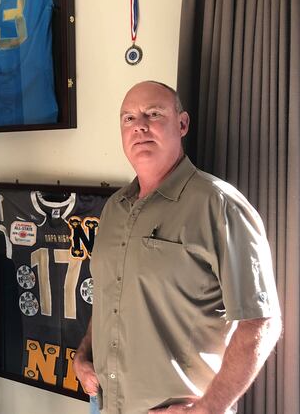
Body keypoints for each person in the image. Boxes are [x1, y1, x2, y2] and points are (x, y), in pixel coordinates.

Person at [73, 81, 282, 414]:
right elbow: (111, 297)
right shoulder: (114, 207)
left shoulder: (219, 205)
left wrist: (208, 409)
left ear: (182, 124)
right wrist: (83, 354)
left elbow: (260, 321)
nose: (139, 125)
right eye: (128, 118)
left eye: (153, 114)